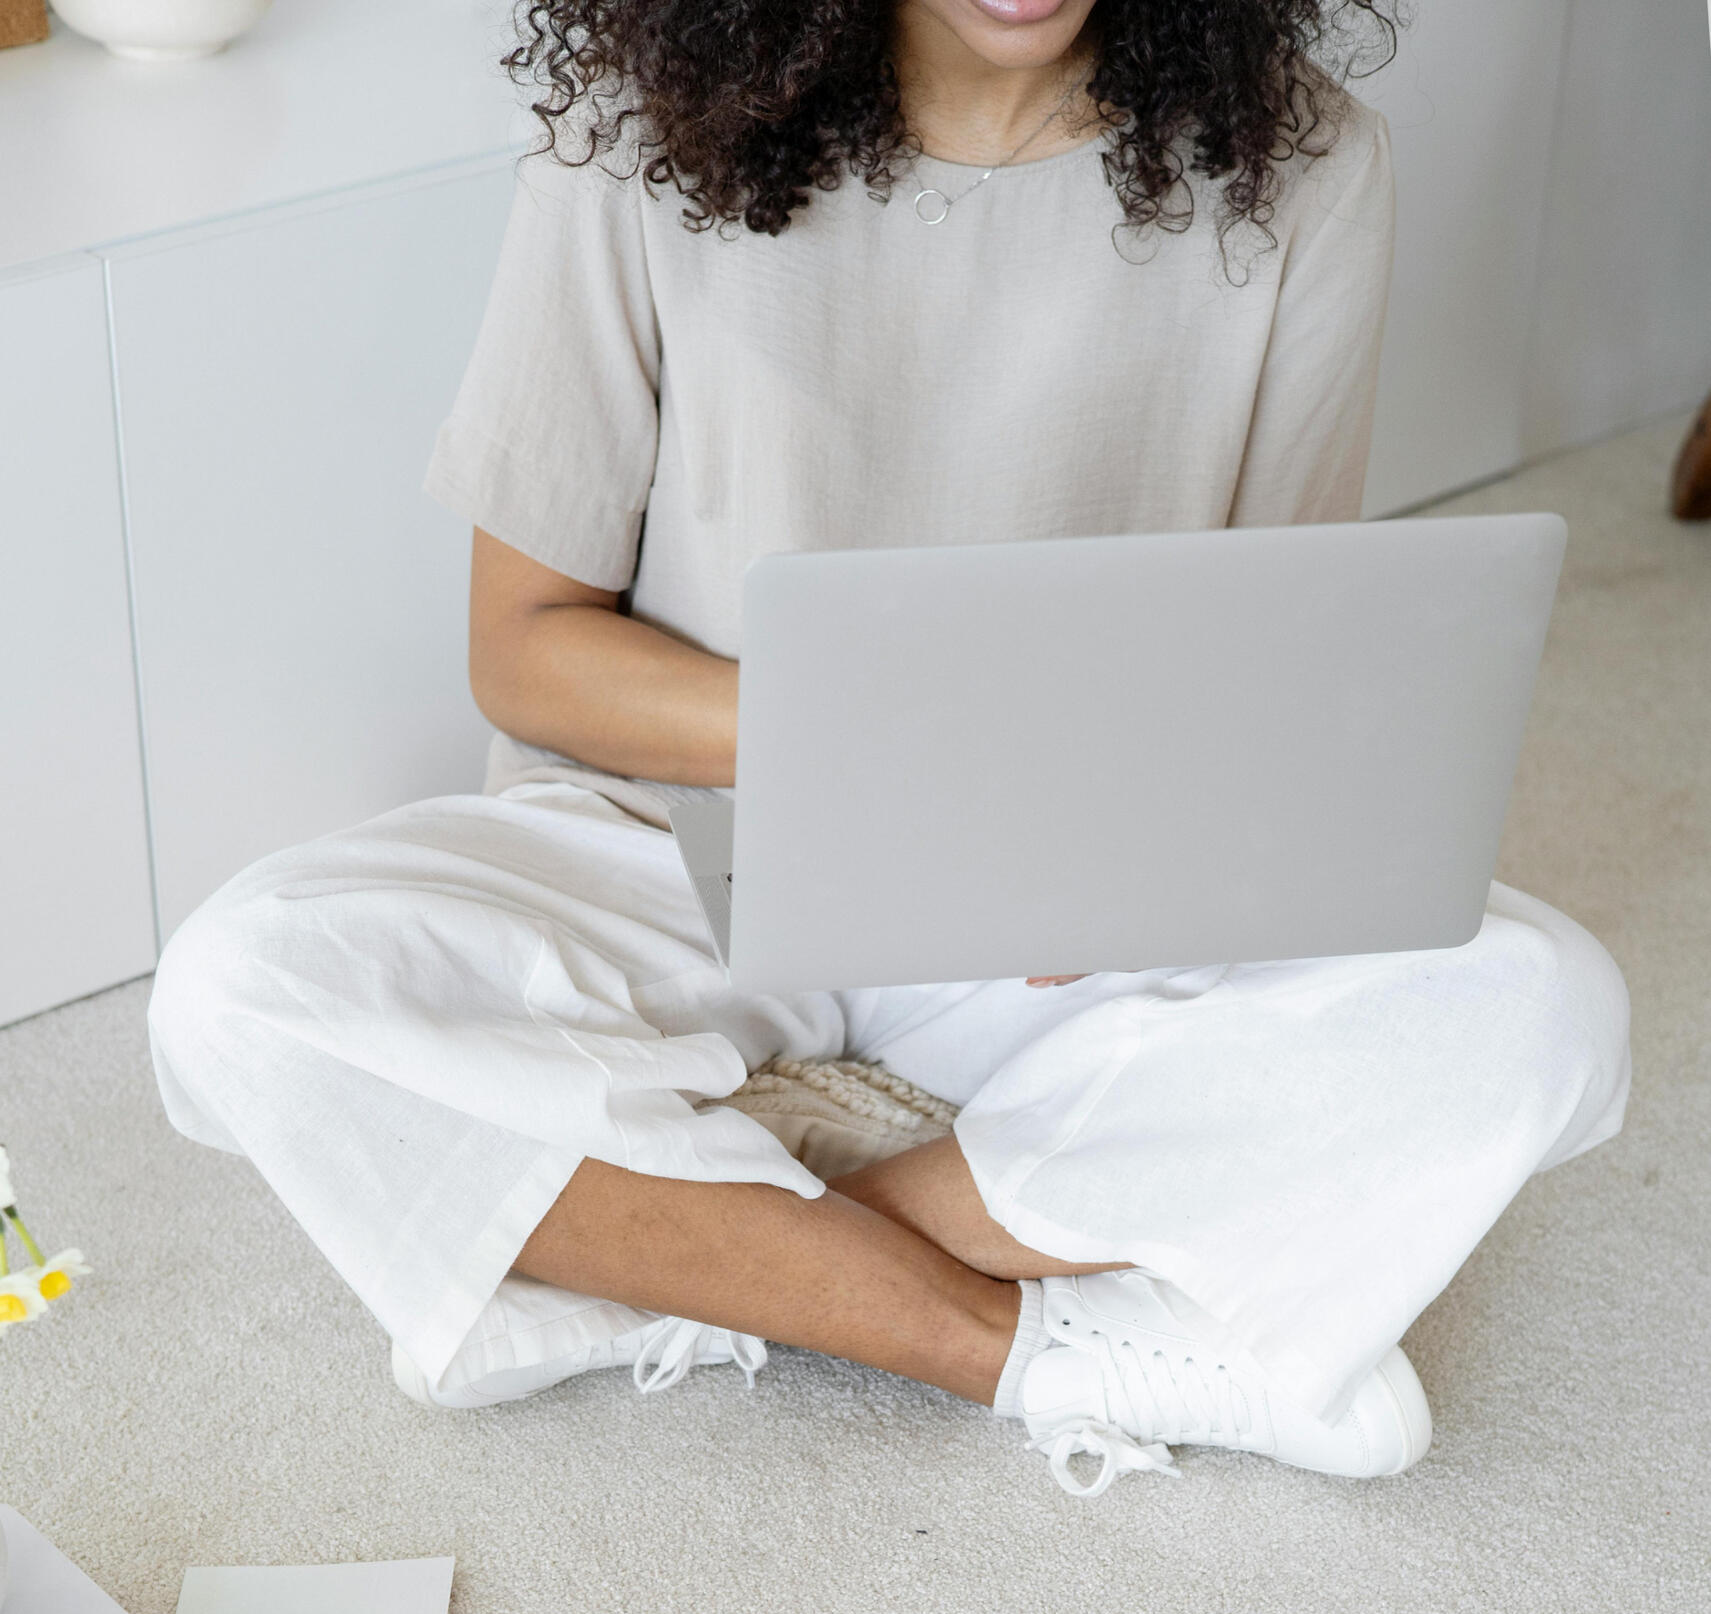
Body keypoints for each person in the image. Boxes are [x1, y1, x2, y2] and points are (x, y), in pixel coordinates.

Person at [149, 0, 1630, 1498]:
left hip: (1057, 917)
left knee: (1545, 1008)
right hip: (686, 844)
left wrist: (1147, 853)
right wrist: (890, 749)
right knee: (244, 986)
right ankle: (1016, 1345)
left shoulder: (1302, 161)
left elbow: (1263, 668)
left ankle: (691, 1242)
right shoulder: (638, 132)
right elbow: (527, 646)